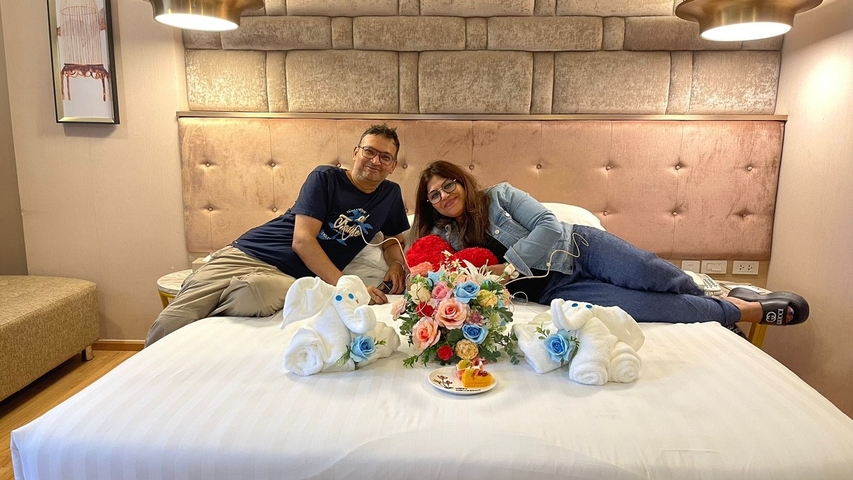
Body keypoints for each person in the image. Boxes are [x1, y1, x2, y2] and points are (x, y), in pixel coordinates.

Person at [411, 160, 809, 328]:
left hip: (580, 248)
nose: (444, 195)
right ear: (428, 205)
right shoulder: (442, 238)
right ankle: (743, 311)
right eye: (434, 195)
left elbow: (548, 224)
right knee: (644, 308)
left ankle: (717, 290)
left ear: (462, 181)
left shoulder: (500, 196)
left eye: (449, 184)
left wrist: (509, 267)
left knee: (650, 273)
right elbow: (419, 261)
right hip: (557, 289)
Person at [145, 124, 410, 347]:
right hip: (251, 254)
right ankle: (145, 373)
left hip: (291, 279)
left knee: (254, 291)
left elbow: (393, 239)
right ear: (355, 153)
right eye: (369, 151)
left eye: (384, 157)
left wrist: (396, 263)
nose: (375, 161)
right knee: (176, 319)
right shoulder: (326, 178)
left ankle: (216, 310)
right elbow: (303, 241)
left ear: (393, 165)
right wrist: (347, 286)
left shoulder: (390, 195)